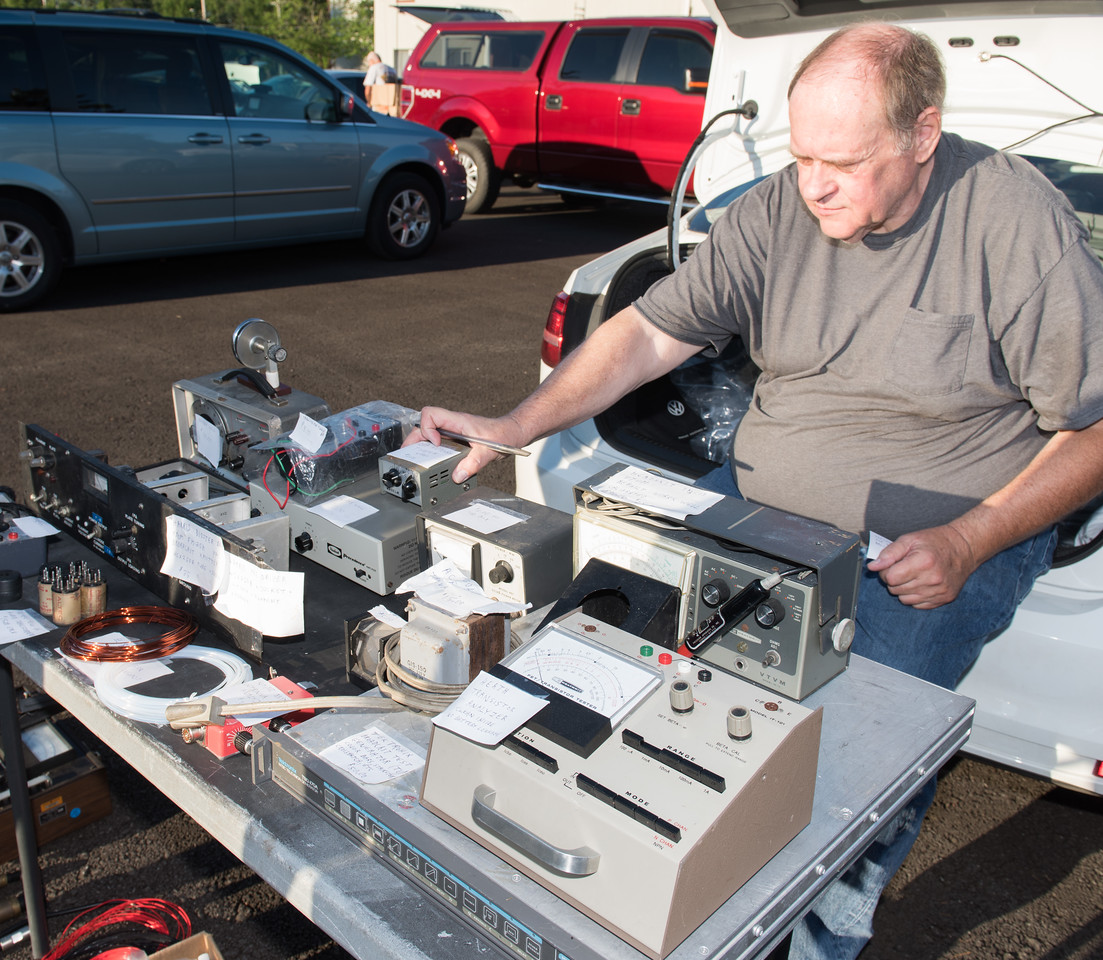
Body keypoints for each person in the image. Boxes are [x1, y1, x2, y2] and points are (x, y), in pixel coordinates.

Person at [410, 22, 1103, 960]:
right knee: (662, 693)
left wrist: (972, 540)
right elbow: (651, 331)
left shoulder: (1011, 222)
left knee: (856, 767)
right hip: (770, 512)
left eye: (842, 163)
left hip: (934, 545)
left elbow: (1092, 426)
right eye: (803, 155)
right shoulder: (783, 205)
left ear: (922, 135)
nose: (814, 185)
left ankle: (822, 933)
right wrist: (519, 423)